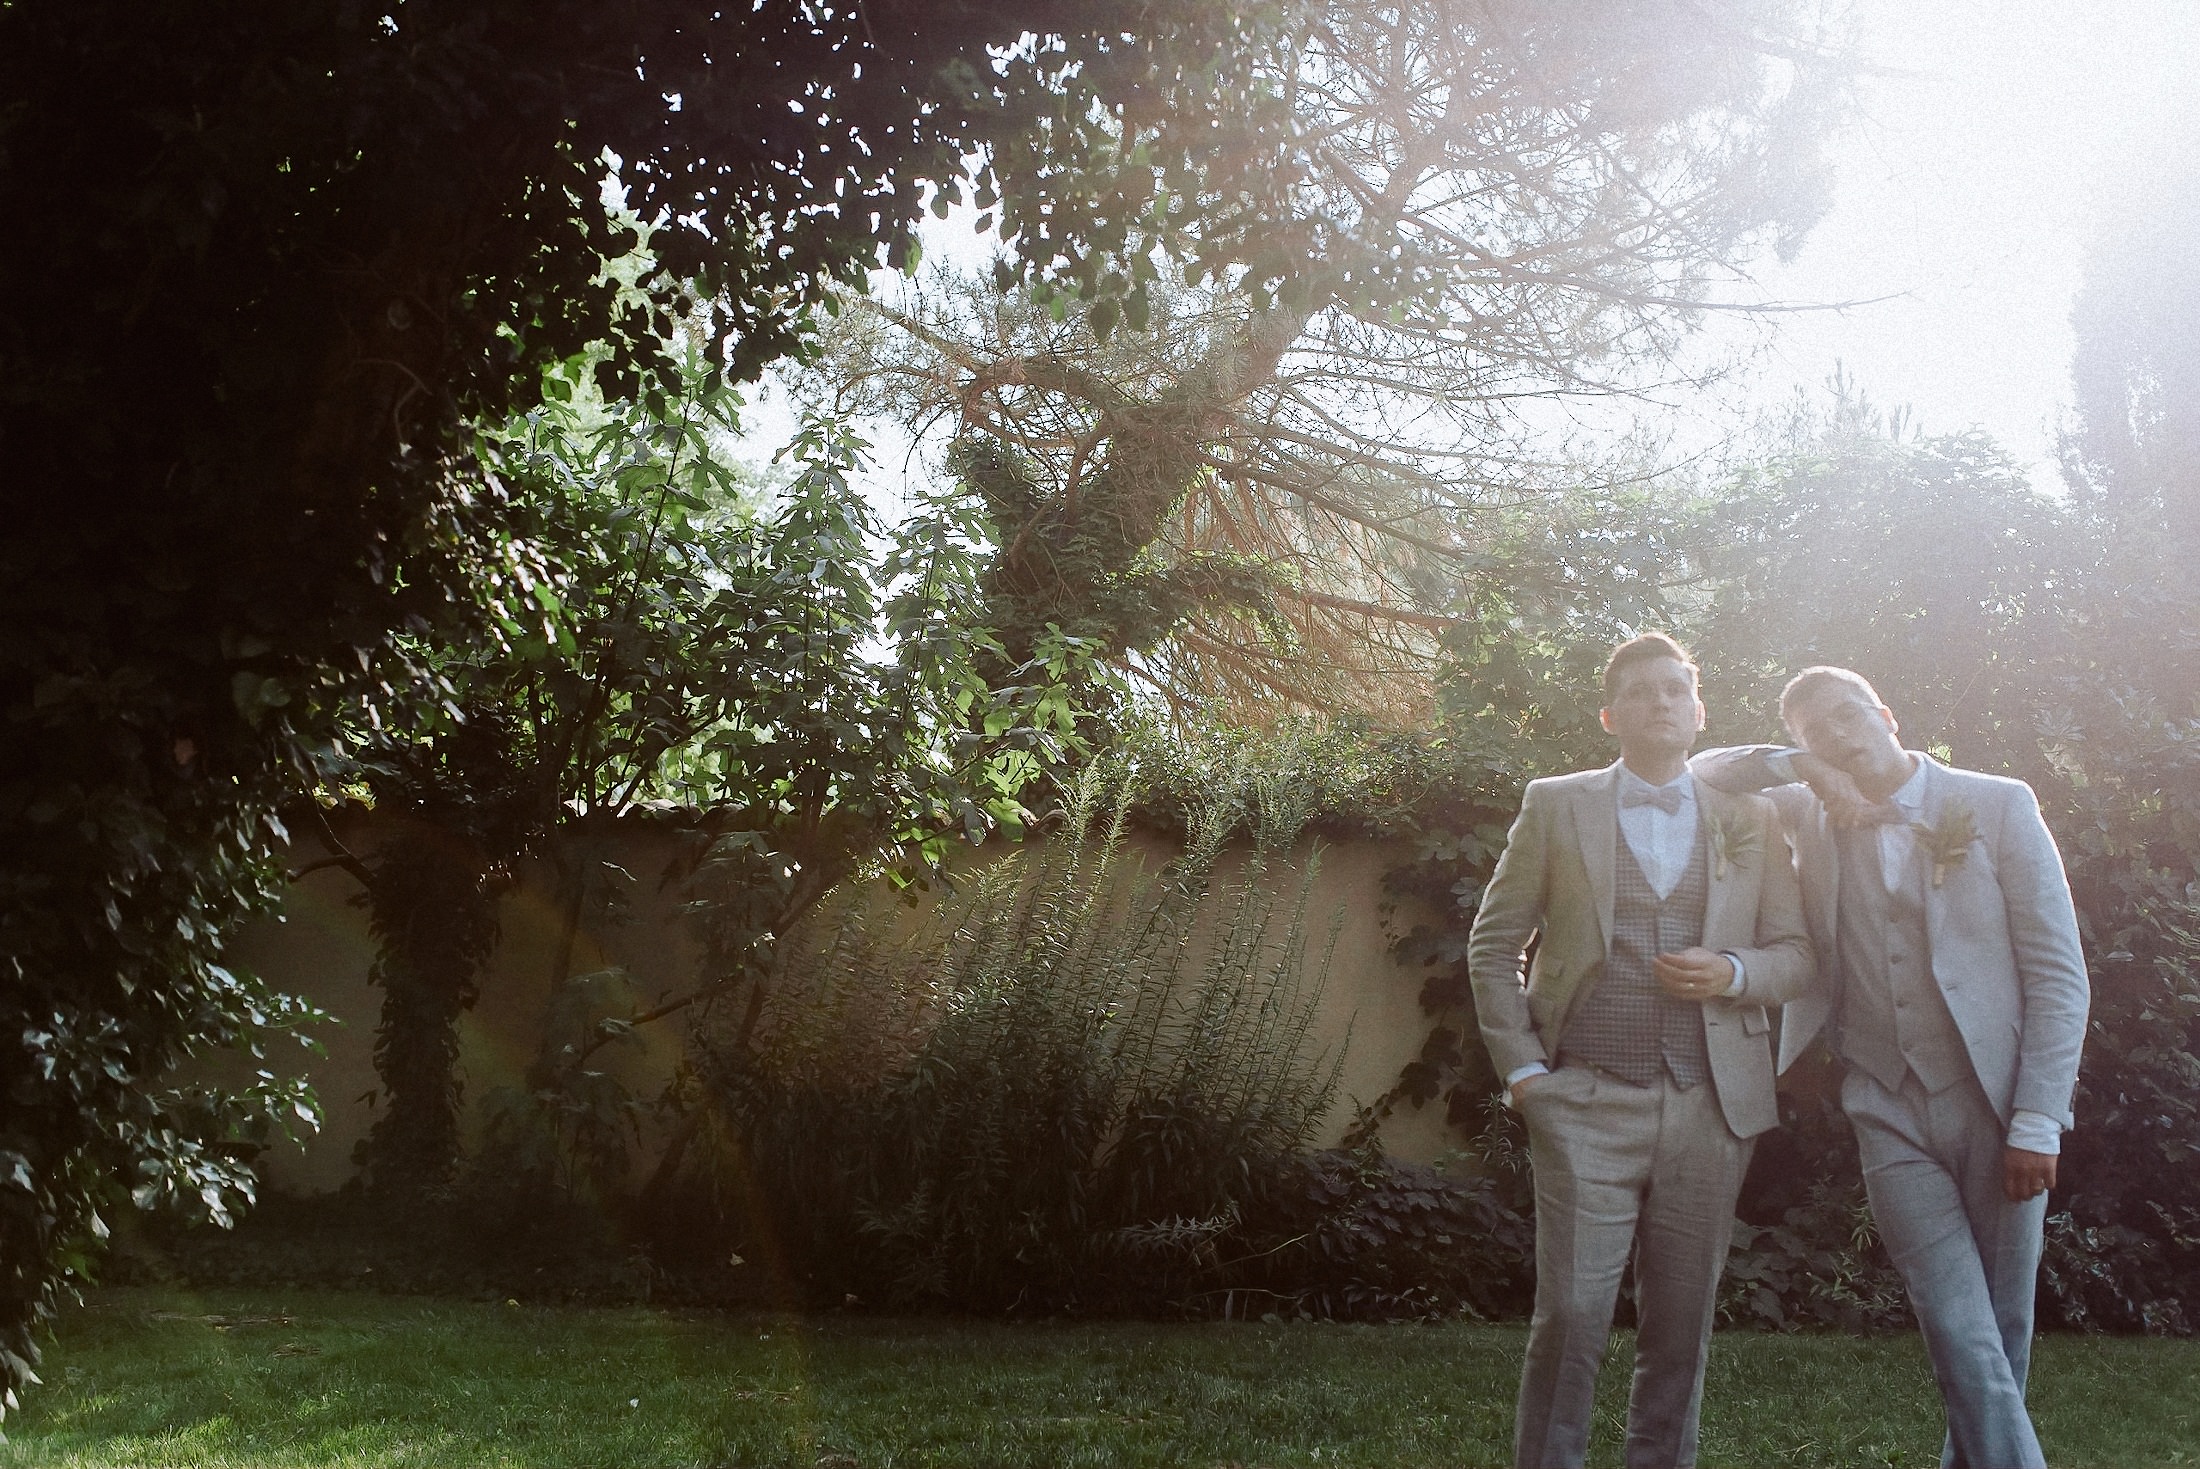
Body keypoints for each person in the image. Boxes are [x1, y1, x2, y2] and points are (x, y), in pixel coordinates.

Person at [1694, 666, 2089, 1469]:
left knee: (1998, 1329)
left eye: (1847, 716)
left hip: (1999, 1101)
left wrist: (2039, 1119)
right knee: (1950, 1317)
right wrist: (1797, 765)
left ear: (1886, 711)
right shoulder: (1807, 806)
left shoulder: (1997, 802)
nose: (1839, 735)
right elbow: (1705, 770)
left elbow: (2058, 973)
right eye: (1817, 730)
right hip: (1884, 1097)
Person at [1468, 633, 1814, 1469]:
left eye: (1675, 690)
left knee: (1682, 1324)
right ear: (1610, 712)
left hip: (1711, 1101)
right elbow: (1494, 943)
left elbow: (1798, 954)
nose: (1660, 702)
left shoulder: (1750, 814)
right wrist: (1523, 1071)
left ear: (1699, 712)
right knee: (1573, 1317)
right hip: (1584, 1094)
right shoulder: (1556, 802)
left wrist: (1731, 971)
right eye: (1642, 690)